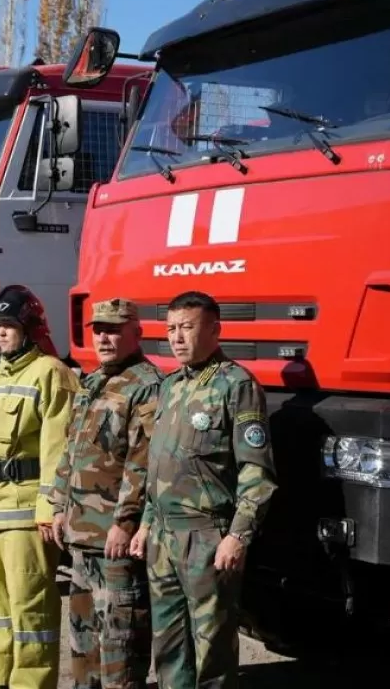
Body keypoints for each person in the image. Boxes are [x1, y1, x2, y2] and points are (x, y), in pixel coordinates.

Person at [129, 291, 279, 689]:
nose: (177, 338)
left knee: (211, 649)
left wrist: (237, 536)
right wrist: (145, 524)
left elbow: (256, 471)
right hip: (163, 535)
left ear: (215, 329)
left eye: (187, 328)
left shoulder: (236, 385)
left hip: (206, 537)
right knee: (168, 646)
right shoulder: (171, 386)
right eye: (171, 329)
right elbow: (159, 466)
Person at [0, 285, 77, 689]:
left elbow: (57, 450)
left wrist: (50, 508)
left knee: (30, 603)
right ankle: (3, 676)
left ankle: (31, 682)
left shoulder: (51, 373)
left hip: (27, 511)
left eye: (9, 325)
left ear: (30, 328)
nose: (1, 333)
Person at [49, 298, 161, 689]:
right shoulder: (94, 380)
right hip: (82, 536)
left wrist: (125, 522)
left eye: (113, 329)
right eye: (98, 329)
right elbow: (72, 450)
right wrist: (59, 506)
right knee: (84, 640)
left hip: (114, 540)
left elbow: (142, 464)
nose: (104, 337)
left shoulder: (146, 386)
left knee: (120, 640)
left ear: (137, 332)